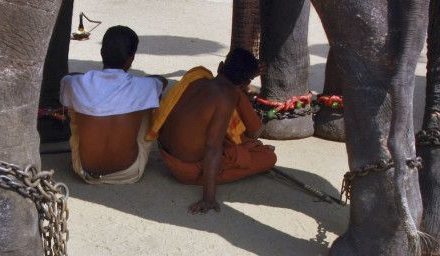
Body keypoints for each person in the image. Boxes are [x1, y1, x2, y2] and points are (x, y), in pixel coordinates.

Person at [145, 48, 277, 214]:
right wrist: (209, 197)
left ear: (220, 66)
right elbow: (212, 148)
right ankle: (251, 148)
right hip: (187, 169)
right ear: (245, 83)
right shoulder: (226, 96)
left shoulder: (198, 76)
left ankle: (249, 146)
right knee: (268, 158)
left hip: (168, 152)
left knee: (240, 136)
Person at [60, 25, 167, 184]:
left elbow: (67, 78)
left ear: (102, 53)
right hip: (129, 173)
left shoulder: (76, 83)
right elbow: (162, 81)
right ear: (131, 59)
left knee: (75, 105)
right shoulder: (144, 86)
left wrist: (86, 79)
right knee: (147, 102)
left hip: (84, 171)